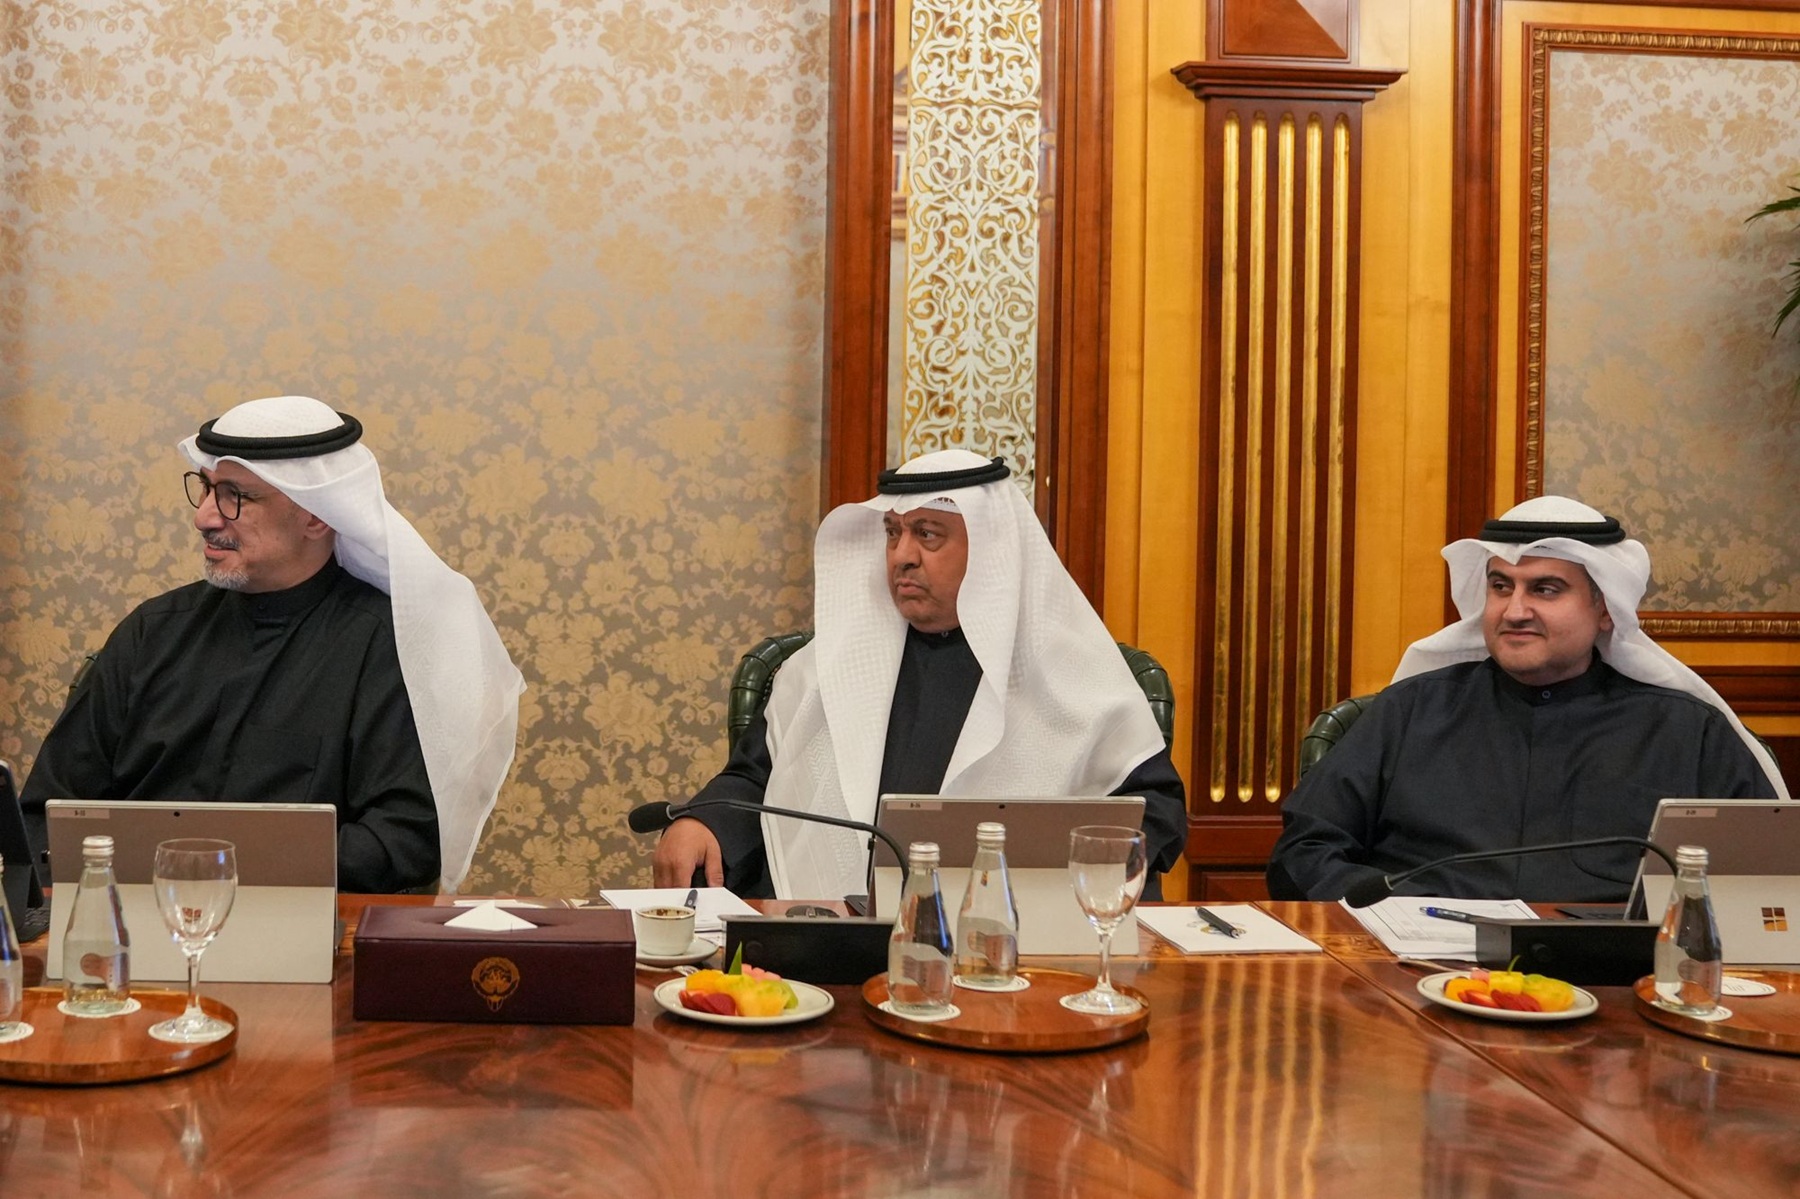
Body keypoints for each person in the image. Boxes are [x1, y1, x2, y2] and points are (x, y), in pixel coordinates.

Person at [20, 396, 525, 893]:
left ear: (317, 517)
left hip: (312, 929)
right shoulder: (151, 632)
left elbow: (404, 841)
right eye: (207, 489)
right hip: (129, 923)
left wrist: (230, 864)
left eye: (236, 496)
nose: (205, 518)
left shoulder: (385, 647)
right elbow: (46, 813)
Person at [652, 449, 1188, 899]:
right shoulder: (827, 668)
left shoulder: (1069, 672)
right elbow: (755, 781)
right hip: (832, 943)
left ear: (992, 552)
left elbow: (1154, 814)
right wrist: (703, 821)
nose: (901, 556)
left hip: (1016, 948)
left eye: (928, 535)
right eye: (893, 533)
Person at [1267, 496, 1787, 903]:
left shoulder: (1688, 732)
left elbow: (1764, 880)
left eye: (1545, 589)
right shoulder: (1408, 712)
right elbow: (1303, 852)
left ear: (1605, 609)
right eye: (1501, 586)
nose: (1514, 611)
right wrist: (1388, 908)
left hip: (1618, 979)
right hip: (1414, 968)